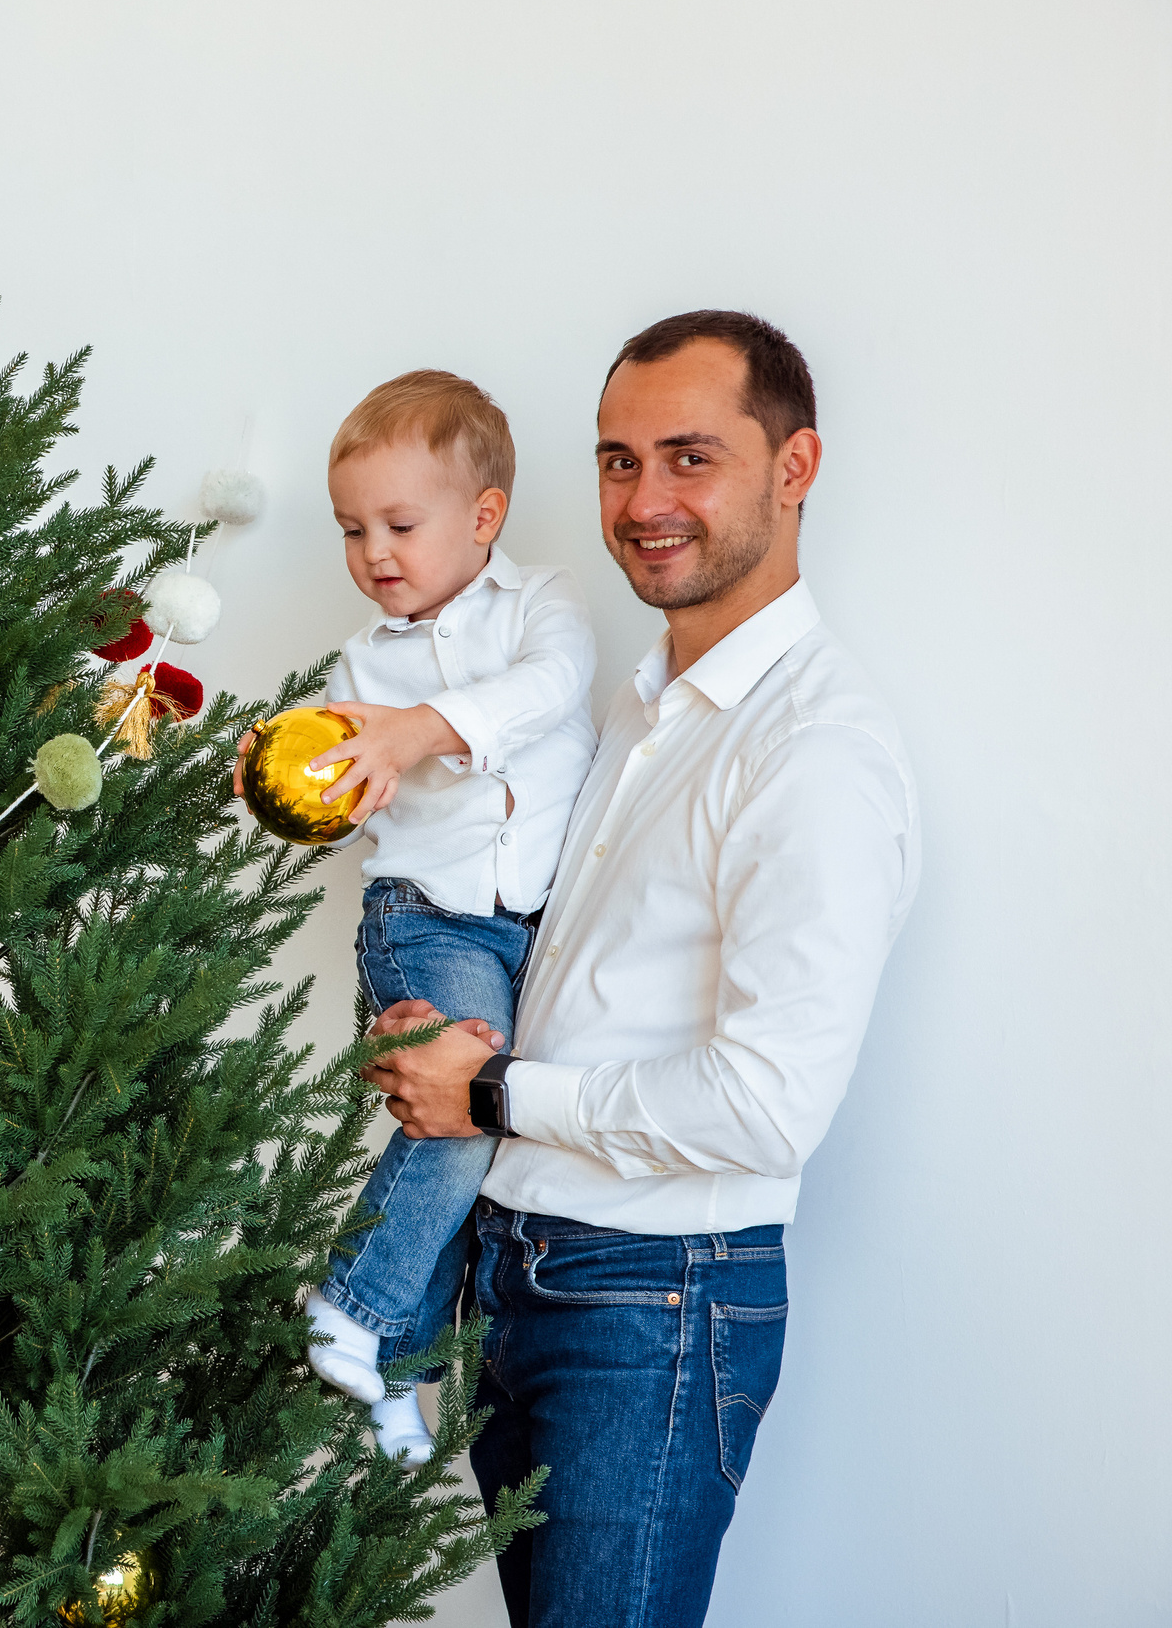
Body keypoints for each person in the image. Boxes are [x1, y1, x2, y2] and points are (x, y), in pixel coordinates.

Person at [357, 313, 920, 1627]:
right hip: (521, 1272)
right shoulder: (632, 701)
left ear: (796, 467)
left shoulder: (816, 752)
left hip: (653, 1301)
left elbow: (769, 1101)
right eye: (618, 461)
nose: (645, 501)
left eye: (690, 457)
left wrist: (490, 1093)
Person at [244, 371, 597, 1463]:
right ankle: (350, 1303)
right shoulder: (360, 668)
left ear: (482, 516)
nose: (373, 554)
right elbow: (345, 810)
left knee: (480, 1147)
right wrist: (292, 776)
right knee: (460, 1118)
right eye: (353, 531)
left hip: (528, 930)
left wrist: (420, 731)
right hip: (426, 921)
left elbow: (552, 685)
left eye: (399, 524)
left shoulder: (545, 606)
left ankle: (395, 1370)